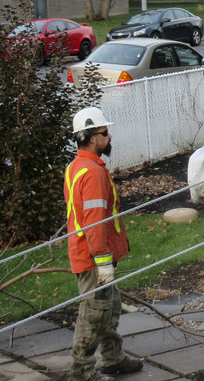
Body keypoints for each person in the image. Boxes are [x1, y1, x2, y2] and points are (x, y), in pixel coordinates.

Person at [64, 107, 144, 381]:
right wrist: (102, 262)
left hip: (91, 253)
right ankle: (81, 372)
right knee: (94, 314)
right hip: (92, 257)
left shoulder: (78, 166)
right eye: (104, 133)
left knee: (109, 306)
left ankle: (112, 357)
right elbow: (95, 221)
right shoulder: (93, 174)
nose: (109, 136)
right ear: (88, 136)